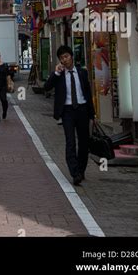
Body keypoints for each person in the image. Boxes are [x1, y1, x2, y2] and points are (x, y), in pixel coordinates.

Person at [44, 45, 95, 186]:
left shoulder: (82, 72)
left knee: (84, 143)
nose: (64, 60)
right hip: (67, 111)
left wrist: (92, 115)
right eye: (61, 58)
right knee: (70, 142)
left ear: (71, 56)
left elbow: (88, 94)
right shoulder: (59, 75)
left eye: (66, 56)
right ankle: (74, 173)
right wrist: (56, 73)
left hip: (82, 109)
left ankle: (81, 170)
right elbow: (46, 87)